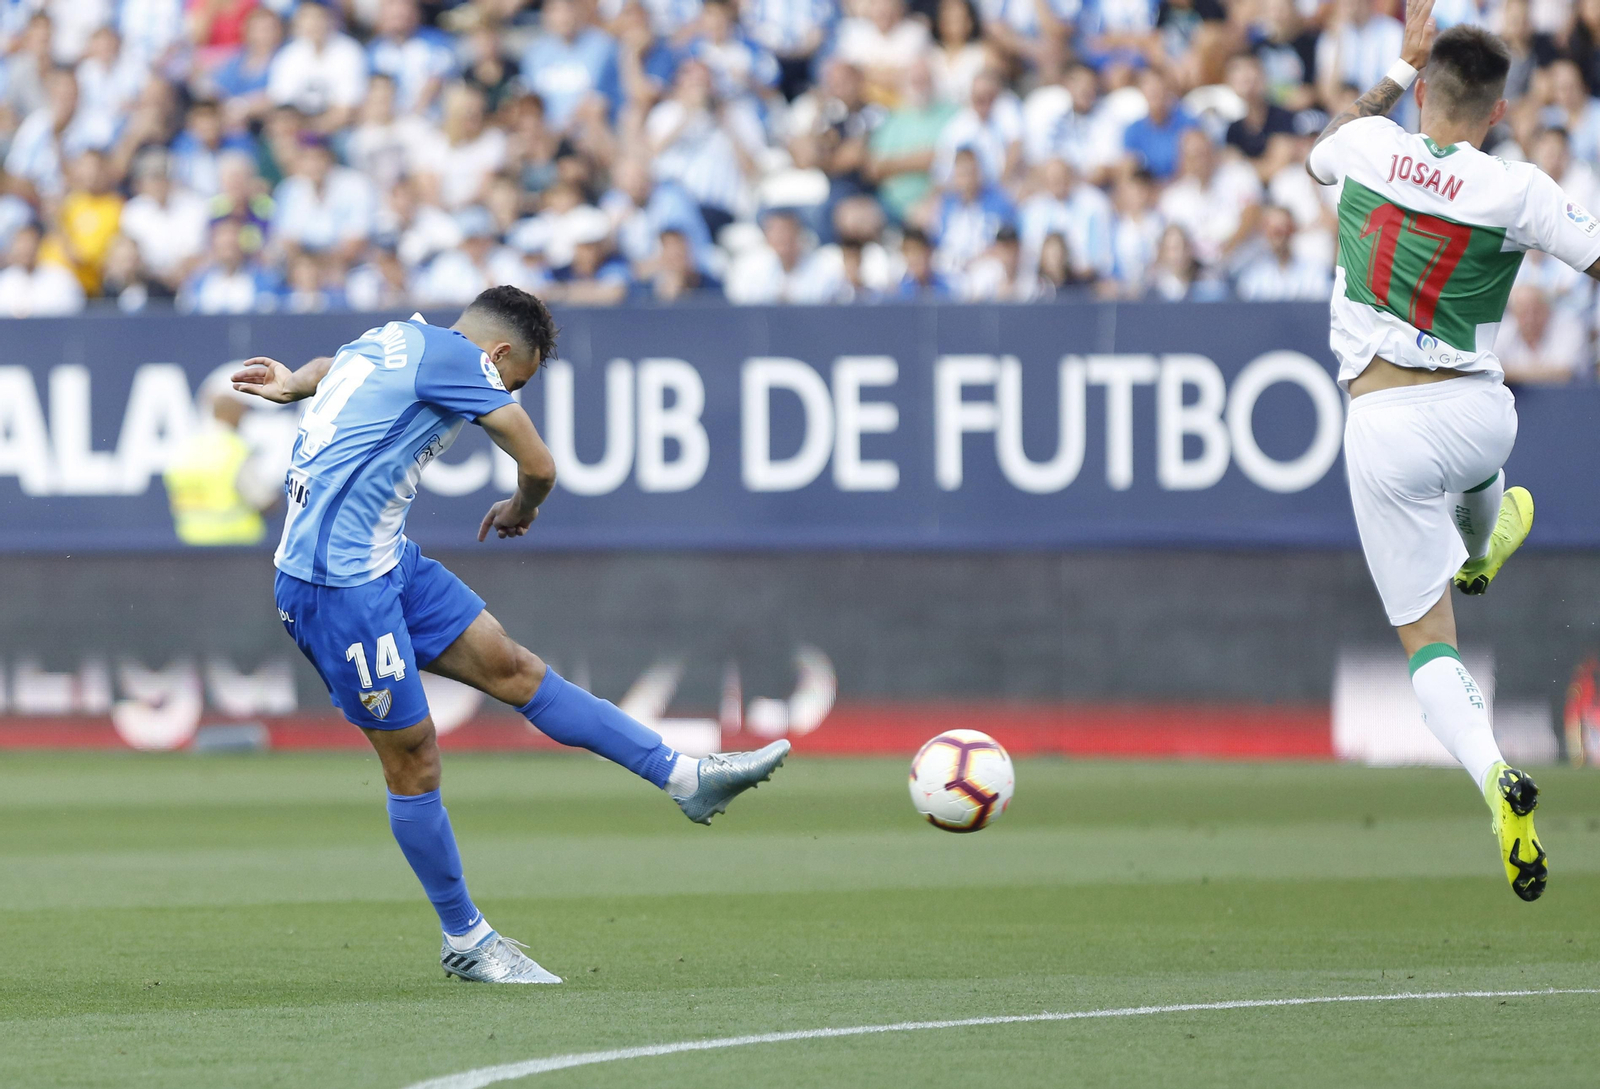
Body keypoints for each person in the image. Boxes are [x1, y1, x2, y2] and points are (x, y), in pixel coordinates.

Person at [228, 287, 791, 983]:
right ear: (496, 354)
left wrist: (294, 384)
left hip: (384, 558)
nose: (504, 391)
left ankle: (685, 777)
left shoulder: (394, 337)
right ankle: (465, 936)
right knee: (414, 758)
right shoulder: (464, 361)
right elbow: (542, 466)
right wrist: (522, 508)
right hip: (334, 588)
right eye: (513, 380)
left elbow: (328, 363)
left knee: (514, 668)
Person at [1305, 4, 1600, 902]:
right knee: (1477, 488)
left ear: (1426, 91)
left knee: (1430, 643)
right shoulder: (1517, 188)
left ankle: (1495, 780)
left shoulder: (1363, 148)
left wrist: (1394, 69)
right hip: (1481, 412)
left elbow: (1323, 145)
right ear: (1502, 111)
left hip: (1384, 419)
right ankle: (1483, 542)